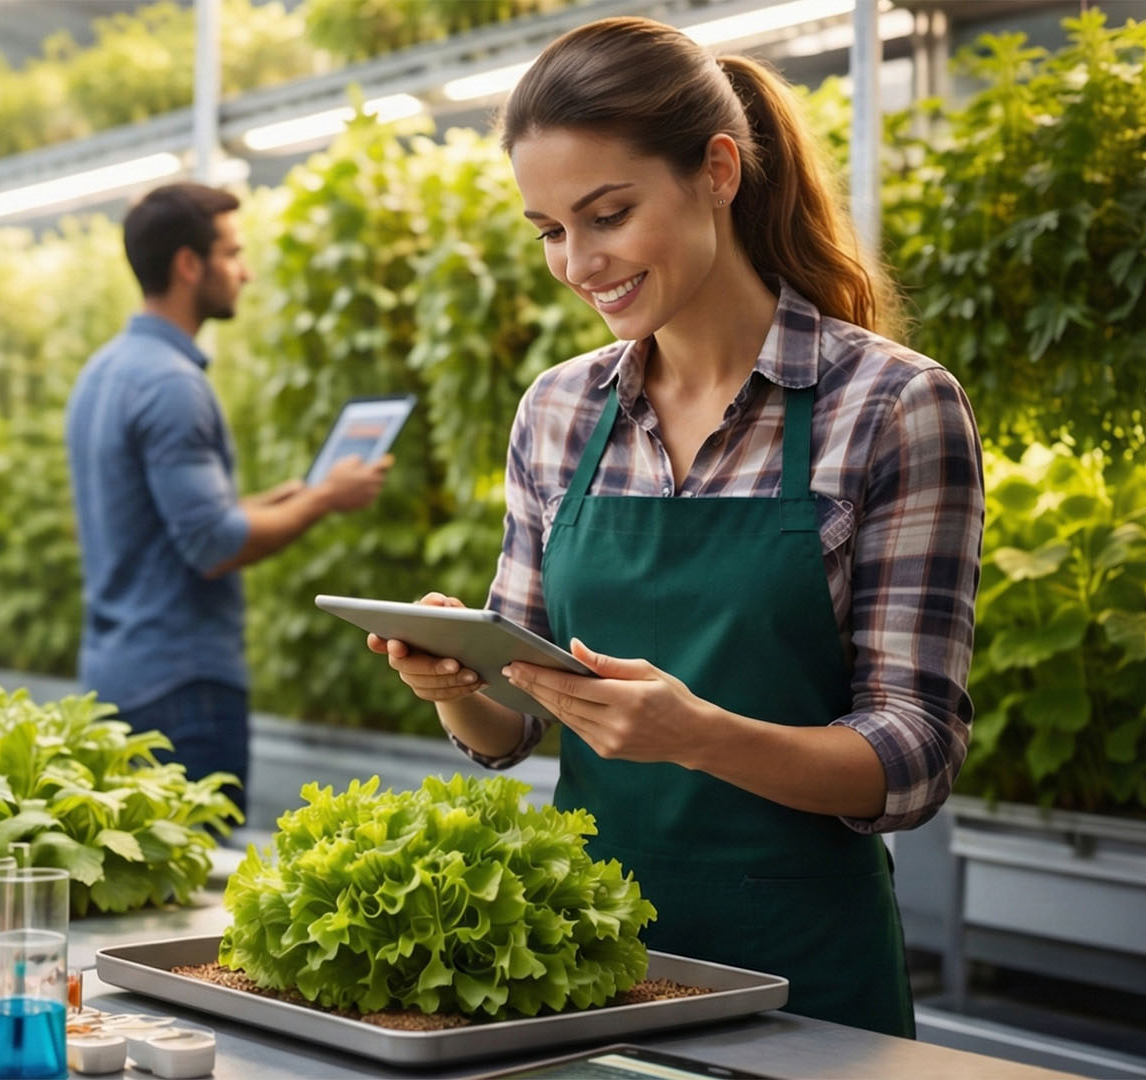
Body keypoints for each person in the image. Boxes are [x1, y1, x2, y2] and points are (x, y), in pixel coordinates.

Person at [368, 17, 983, 1037]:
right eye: (551, 231)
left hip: (804, 985)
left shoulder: (891, 407)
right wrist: (453, 684)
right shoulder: (559, 412)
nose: (577, 263)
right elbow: (516, 724)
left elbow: (915, 753)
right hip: (579, 960)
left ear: (718, 171)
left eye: (608, 214)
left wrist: (697, 737)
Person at [67, 183, 391, 796]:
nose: (247, 272)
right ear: (189, 265)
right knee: (199, 879)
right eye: (233, 253)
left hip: (115, 676)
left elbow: (175, 522)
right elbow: (213, 544)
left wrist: (295, 492)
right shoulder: (173, 386)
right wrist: (325, 499)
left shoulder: (106, 371)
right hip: (181, 690)